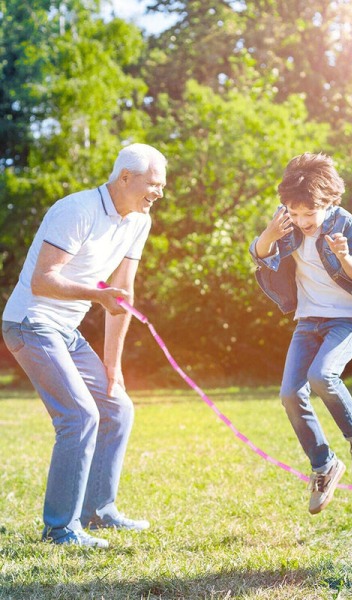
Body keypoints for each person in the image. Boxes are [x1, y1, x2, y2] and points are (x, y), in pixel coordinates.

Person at [2, 143, 167, 548]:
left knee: (116, 405)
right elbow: (44, 280)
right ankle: (60, 528)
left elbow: (122, 292)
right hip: (30, 323)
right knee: (79, 416)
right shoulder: (76, 210)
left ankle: (99, 511)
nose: (159, 194)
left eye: (163, 186)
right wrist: (96, 296)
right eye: (154, 184)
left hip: (66, 332)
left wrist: (113, 367)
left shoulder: (138, 222)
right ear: (124, 178)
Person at [249, 152, 352, 515]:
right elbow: (260, 257)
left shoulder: (345, 223)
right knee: (289, 393)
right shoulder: (285, 221)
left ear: (329, 201)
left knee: (322, 376)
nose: (301, 221)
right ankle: (324, 464)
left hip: (346, 318)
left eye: (308, 215)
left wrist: (344, 256)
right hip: (308, 320)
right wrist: (269, 235)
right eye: (294, 213)